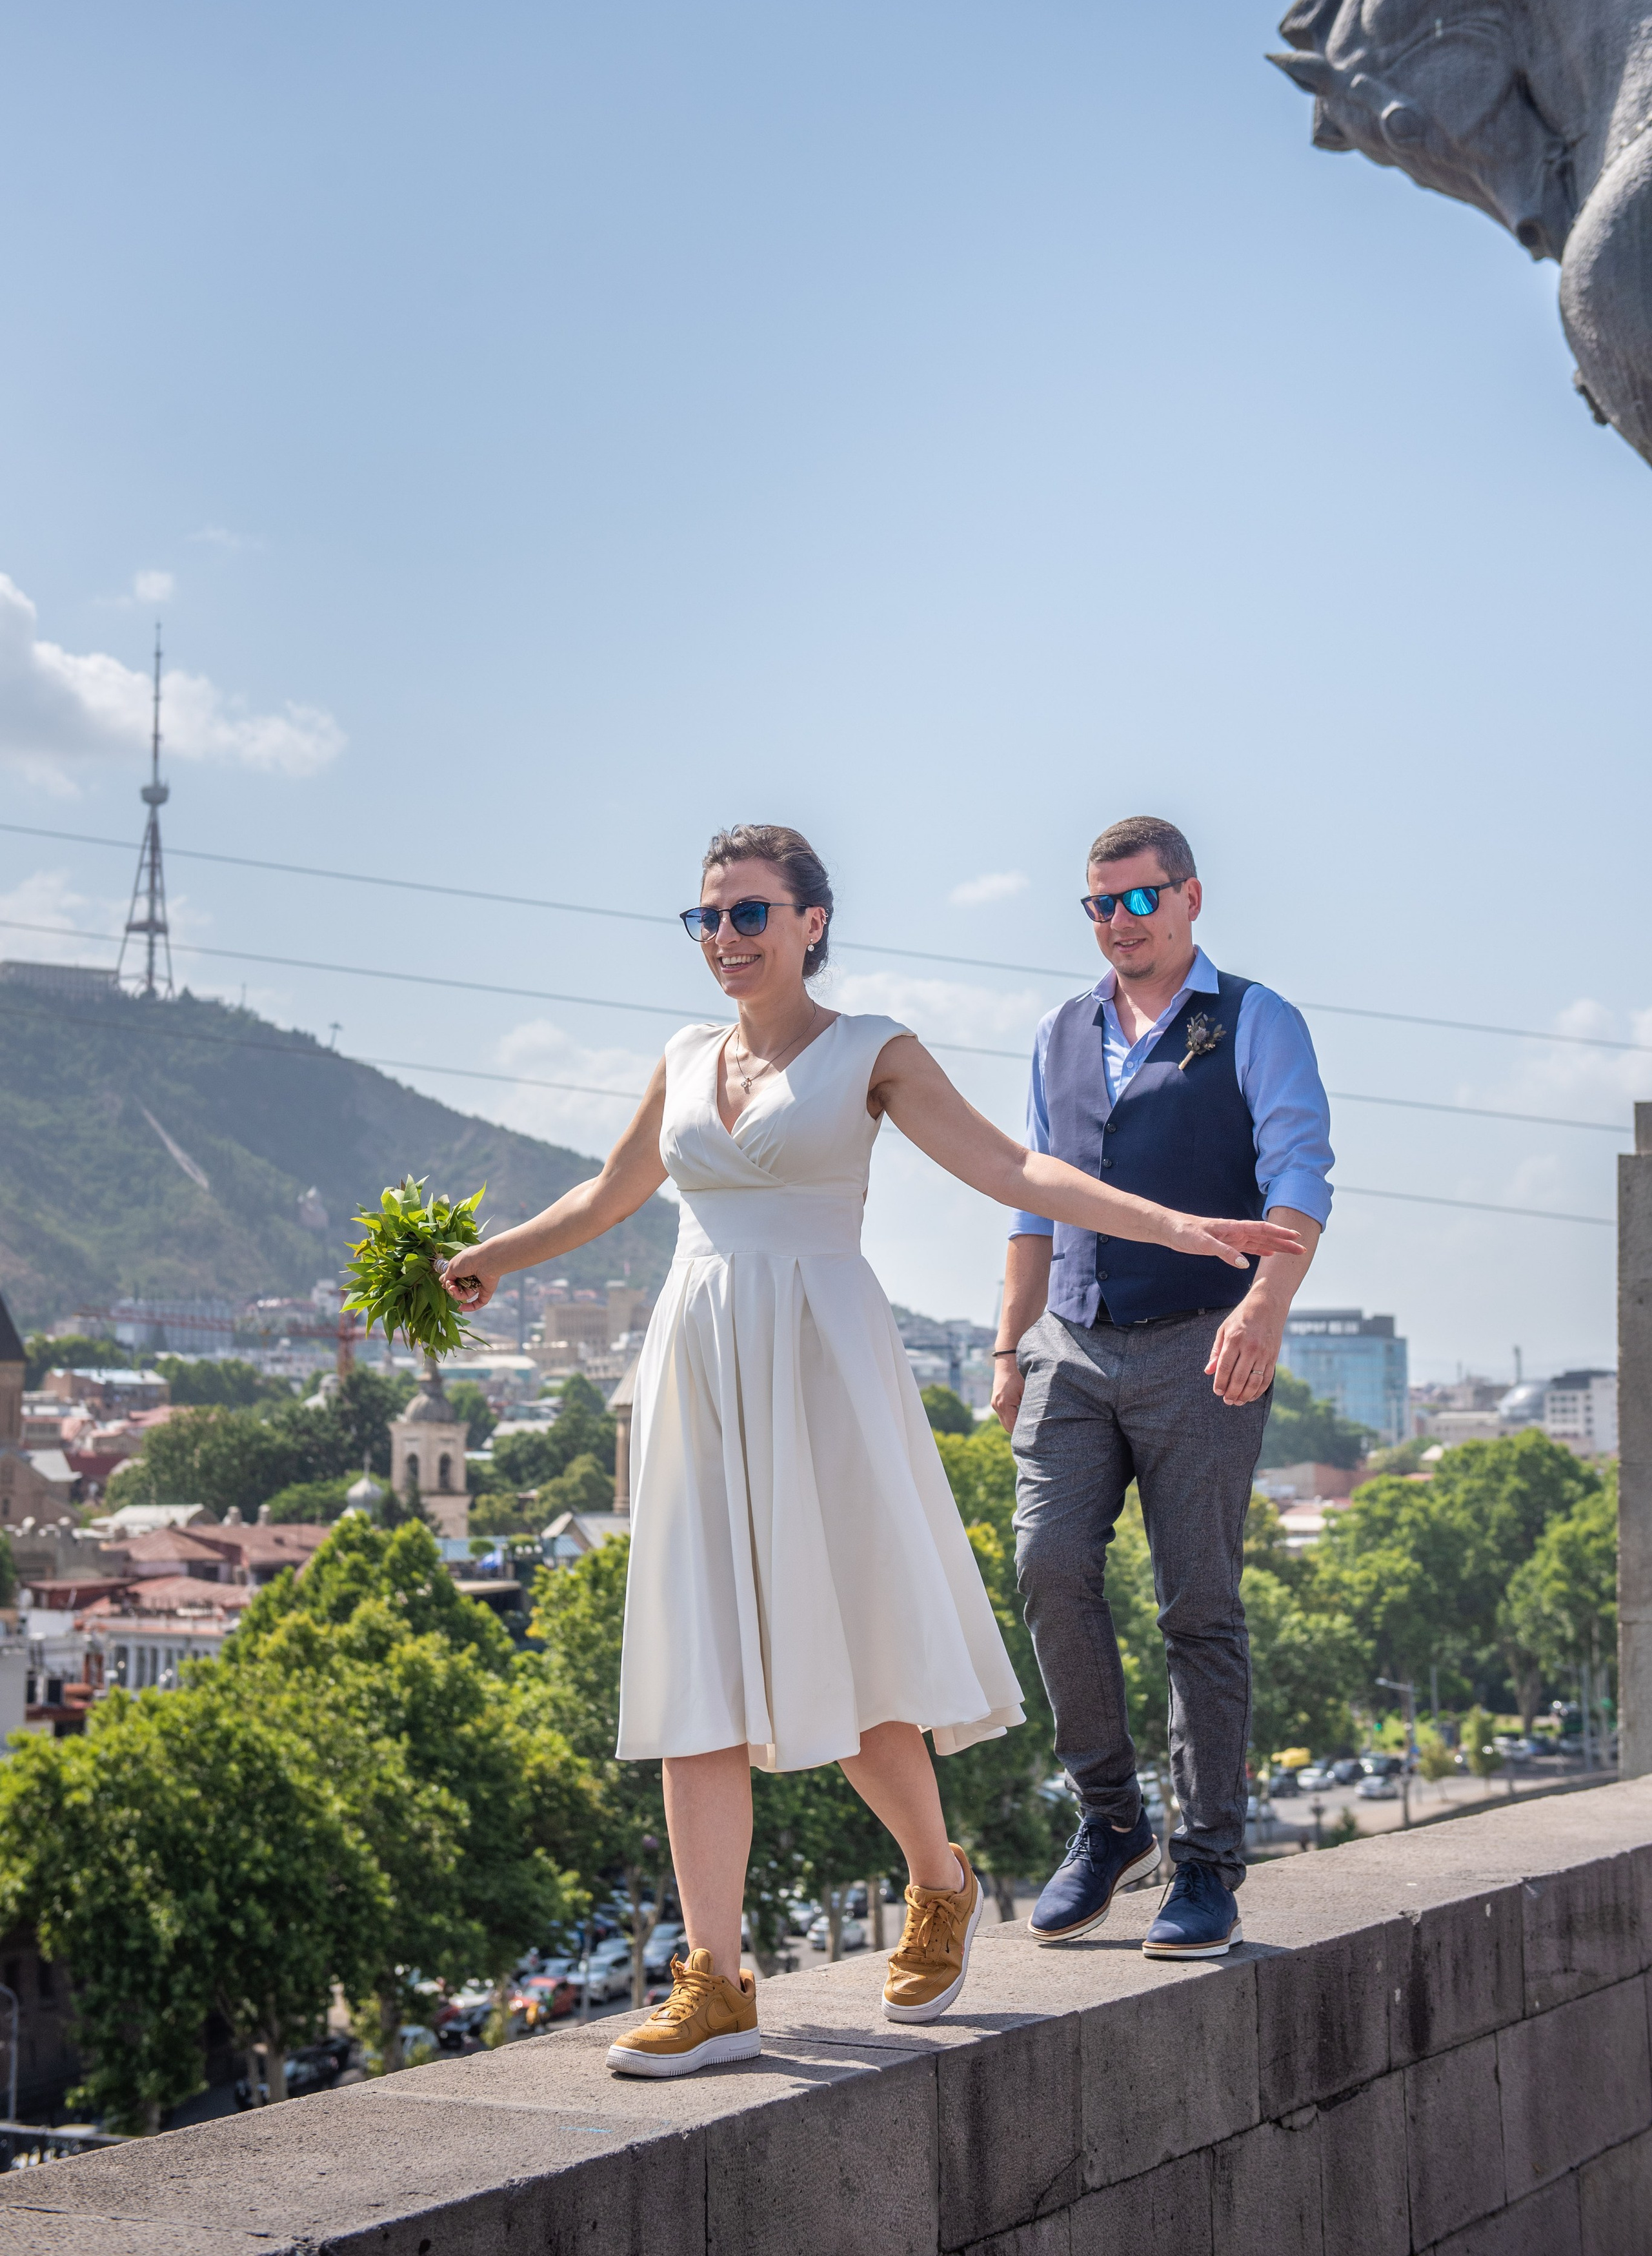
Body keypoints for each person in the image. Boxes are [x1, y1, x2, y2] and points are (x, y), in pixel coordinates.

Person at [445, 823, 1303, 2074]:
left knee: (850, 1667)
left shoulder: (871, 1052)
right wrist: (483, 1258)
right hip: (699, 1367)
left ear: (810, 922)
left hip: (820, 1367)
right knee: (696, 1669)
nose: (725, 939)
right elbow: (608, 1194)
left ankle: (937, 1875)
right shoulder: (681, 1059)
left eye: (749, 914)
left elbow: (1014, 1168)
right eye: (706, 918)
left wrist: (1172, 1224)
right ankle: (716, 1983)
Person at [994, 815, 1332, 1960]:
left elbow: (1299, 1176)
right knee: (1046, 1565)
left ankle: (1207, 1865)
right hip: (1073, 1347)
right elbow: (1035, 1201)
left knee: (1197, 1605)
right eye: (1099, 905)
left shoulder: (1253, 1020)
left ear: (1190, 899)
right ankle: (1110, 1817)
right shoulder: (1060, 1031)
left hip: (1204, 1346)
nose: (1119, 924)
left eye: (1139, 900)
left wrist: (1262, 1309)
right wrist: (1007, 1350)